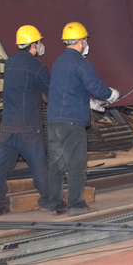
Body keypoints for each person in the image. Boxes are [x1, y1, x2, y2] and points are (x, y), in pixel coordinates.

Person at [47, 22, 119, 216]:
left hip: (54, 121)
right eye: (85, 40)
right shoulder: (82, 64)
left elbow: (66, 90)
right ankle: (76, 205)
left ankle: (56, 205)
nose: (86, 43)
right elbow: (96, 88)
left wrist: (89, 103)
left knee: (56, 164)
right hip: (72, 122)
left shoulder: (58, 62)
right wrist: (110, 95)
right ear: (80, 42)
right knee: (76, 164)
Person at [0, 25, 50, 216]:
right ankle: (48, 202)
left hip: (8, 126)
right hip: (29, 127)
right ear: (33, 45)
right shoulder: (38, 67)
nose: (40, 45)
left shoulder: (9, 64)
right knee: (39, 167)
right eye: (39, 42)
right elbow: (49, 96)